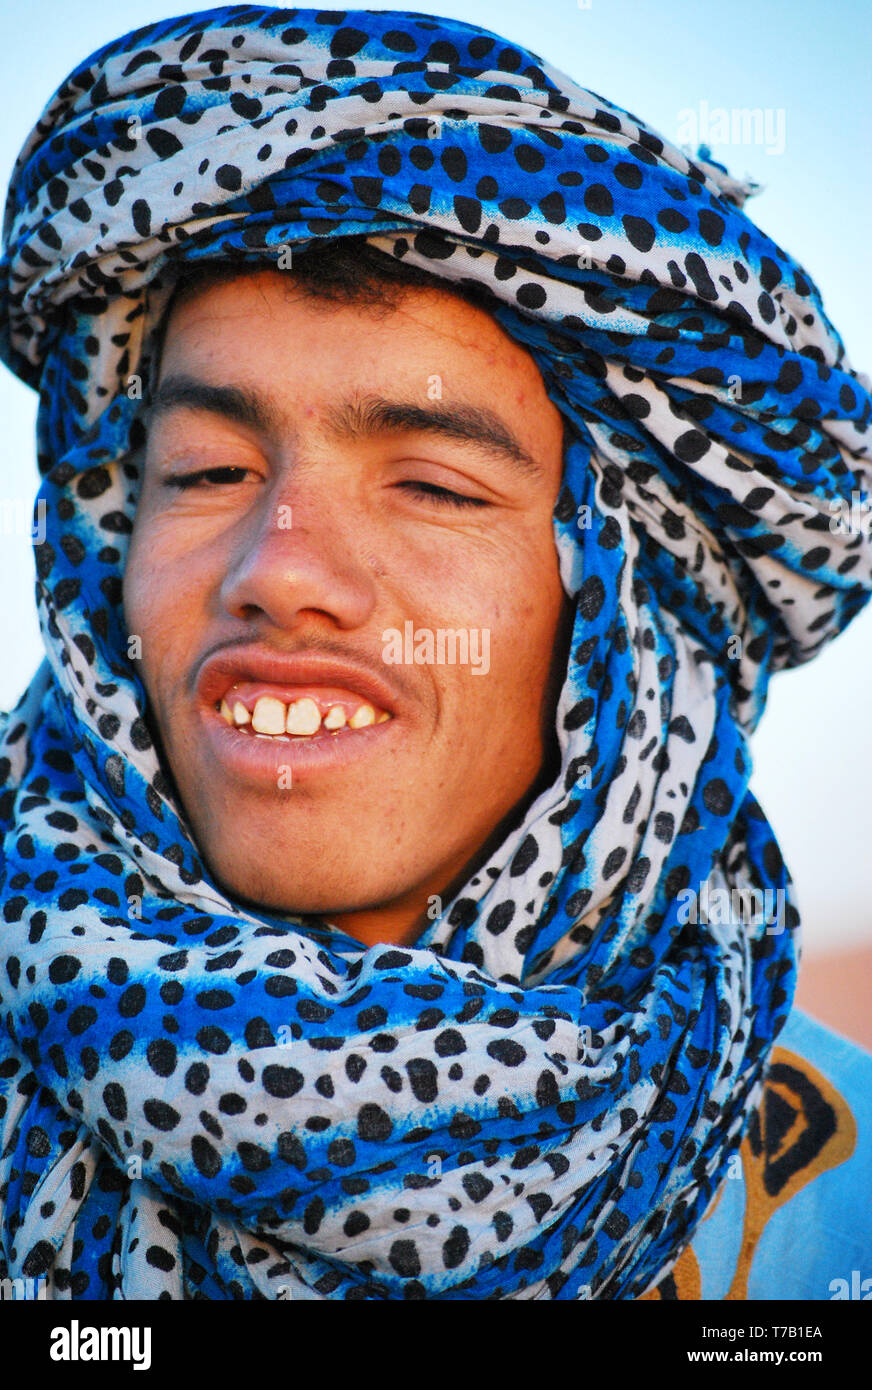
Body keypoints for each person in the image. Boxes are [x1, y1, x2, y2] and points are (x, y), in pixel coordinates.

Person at [0, 5, 870, 1302]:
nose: (278, 569)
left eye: (432, 485)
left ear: (628, 629)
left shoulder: (840, 1207)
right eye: (208, 469)